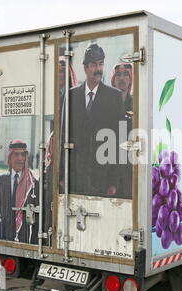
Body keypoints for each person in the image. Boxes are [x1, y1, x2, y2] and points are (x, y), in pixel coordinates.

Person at [61, 43, 123, 197]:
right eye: (94, 64)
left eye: (101, 64)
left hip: (102, 178)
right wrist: (62, 176)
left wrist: (114, 181)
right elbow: (63, 137)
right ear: (85, 67)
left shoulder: (114, 97)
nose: (98, 69)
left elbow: (119, 141)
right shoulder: (71, 95)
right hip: (75, 177)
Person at [0, 140, 39, 244]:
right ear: (10, 157)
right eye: (16, 154)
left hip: (26, 236)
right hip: (6, 233)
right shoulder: (2, 180)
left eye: (23, 155)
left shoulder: (33, 183)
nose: (20, 158)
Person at [111, 63, 134, 199]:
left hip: (129, 165)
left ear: (131, 78)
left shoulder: (136, 103)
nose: (122, 78)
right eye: (118, 74)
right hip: (107, 164)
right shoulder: (104, 103)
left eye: (126, 74)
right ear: (113, 78)